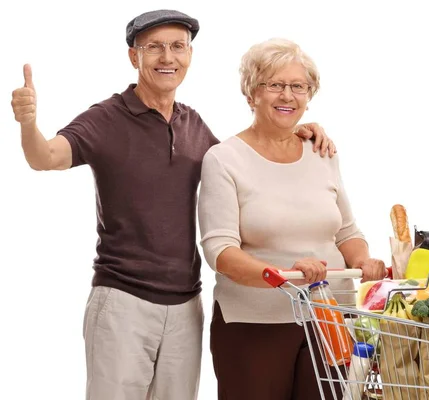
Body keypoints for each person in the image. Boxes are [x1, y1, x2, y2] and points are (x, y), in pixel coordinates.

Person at [10, 10, 334, 400]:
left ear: (190, 55)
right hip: (122, 300)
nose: (168, 57)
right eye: (155, 48)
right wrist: (28, 123)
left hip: (185, 304)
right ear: (134, 57)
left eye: (178, 47)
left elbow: (247, 161)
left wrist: (293, 131)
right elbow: (44, 157)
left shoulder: (193, 124)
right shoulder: (105, 119)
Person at [198, 38, 387, 400]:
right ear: (252, 93)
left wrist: (362, 260)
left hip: (330, 318)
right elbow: (220, 251)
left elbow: (346, 230)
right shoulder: (224, 159)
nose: (288, 96)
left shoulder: (321, 152)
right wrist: (284, 276)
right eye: (275, 85)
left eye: (298, 87)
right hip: (256, 324)